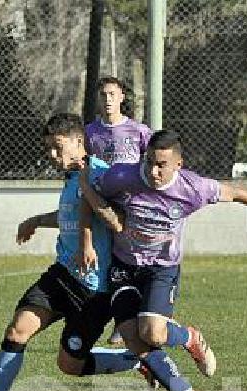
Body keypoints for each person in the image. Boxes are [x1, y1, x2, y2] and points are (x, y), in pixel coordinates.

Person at [77, 130, 247, 391]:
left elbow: (235, 193)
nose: (154, 171)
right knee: (133, 337)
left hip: (162, 269)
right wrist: (86, 237)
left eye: (162, 165)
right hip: (124, 267)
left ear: (178, 164)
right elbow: (91, 197)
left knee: (154, 334)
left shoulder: (192, 188)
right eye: (150, 163)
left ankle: (188, 338)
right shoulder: (122, 176)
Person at [0, 113, 141, 391]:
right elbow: (68, 215)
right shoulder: (71, 178)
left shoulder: (101, 176)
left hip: (95, 290)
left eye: (58, 148)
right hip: (61, 276)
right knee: (17, 330)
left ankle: (134, 360)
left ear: (78, 142)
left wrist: (91, 242)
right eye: (49, 149)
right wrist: (37, 220)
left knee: (69, 365)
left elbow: (116, 218)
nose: (53, 156)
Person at [85, 76, 153, 346]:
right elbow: (84, 166)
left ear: (122, 97)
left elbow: (155, 162)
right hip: (104, 207)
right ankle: (117, 319)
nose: (108, 99)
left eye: (112, 94)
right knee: (109, 262)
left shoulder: (139, 131)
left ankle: (132, 318)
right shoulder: (91, 132)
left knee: (133, 262)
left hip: (133, 207)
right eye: (103, 94)